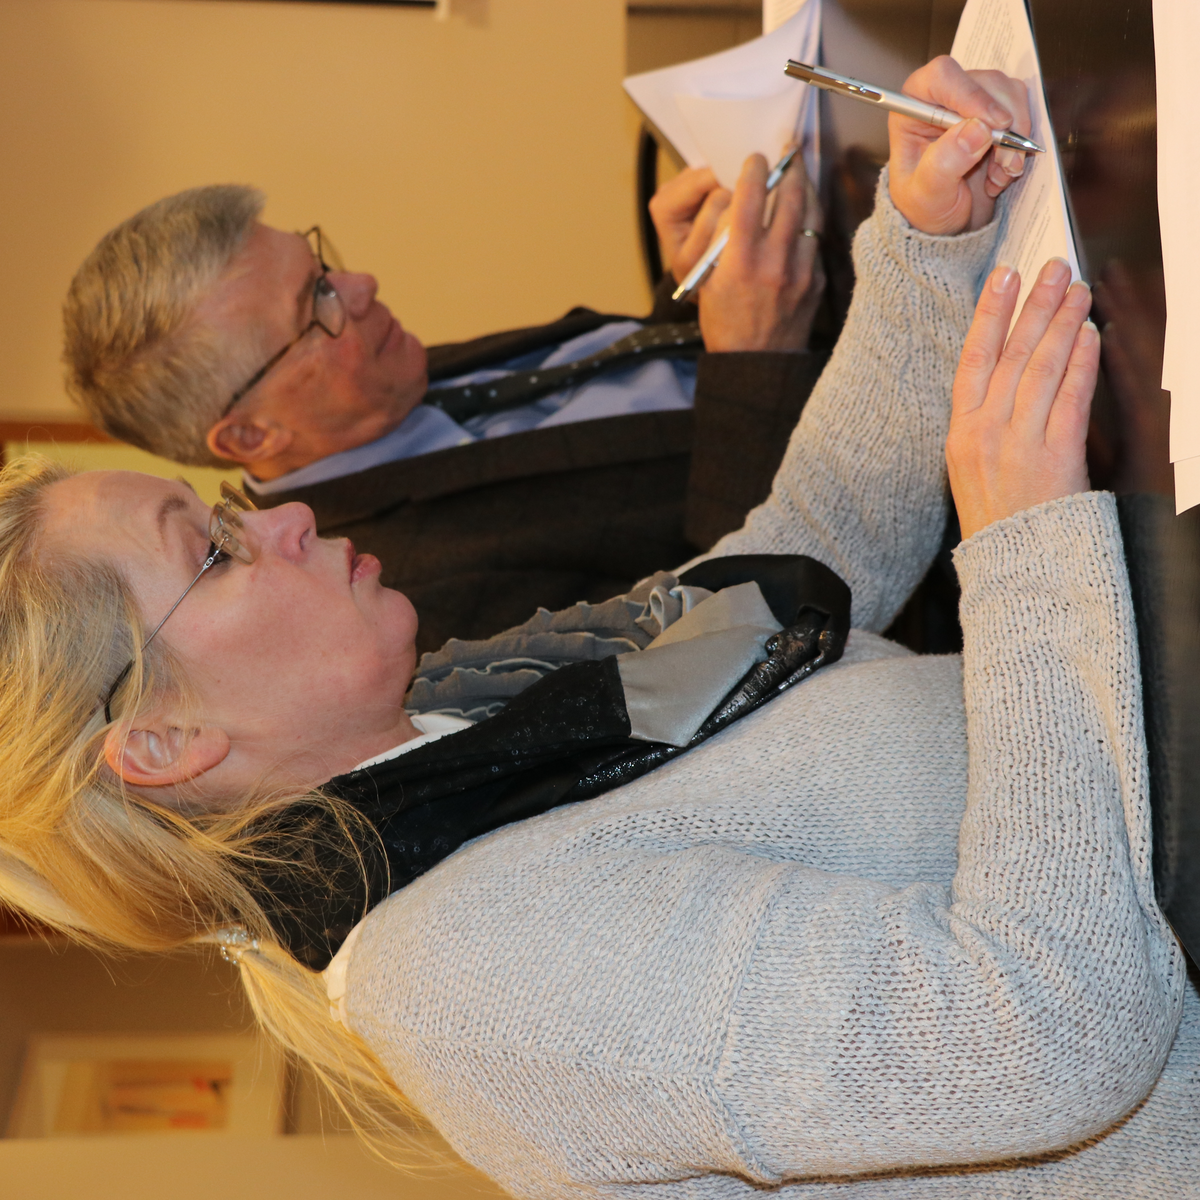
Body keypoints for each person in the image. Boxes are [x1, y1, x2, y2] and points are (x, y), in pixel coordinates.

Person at [1, 54, 1191, 1197]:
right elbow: (1047, 1030)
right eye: (214, 553)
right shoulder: (466, 978)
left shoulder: (464, 721)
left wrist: (927, 244)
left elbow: (806, 557)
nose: (286, 520)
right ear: (164, 742)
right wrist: (1024, 544)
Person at [62, 157, 827, 653]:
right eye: (317, 301)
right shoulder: (400, 595)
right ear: (252, 434)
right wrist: (757, 357)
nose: (361, 287)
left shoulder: (384, 376)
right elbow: (713, 630)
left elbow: (643, 410)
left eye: (321, 263)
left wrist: (692, 286)